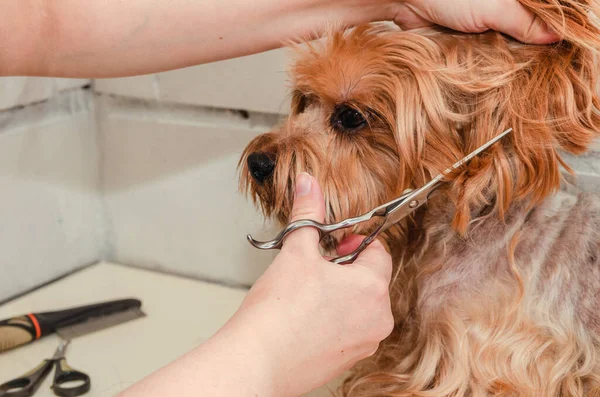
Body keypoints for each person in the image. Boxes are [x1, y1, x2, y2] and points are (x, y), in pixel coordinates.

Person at [1, 1, 558, 395]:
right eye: (303, 103)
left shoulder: (501, 321)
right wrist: (265, 356)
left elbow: (42, 20)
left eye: (349, 119)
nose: (272, 150)